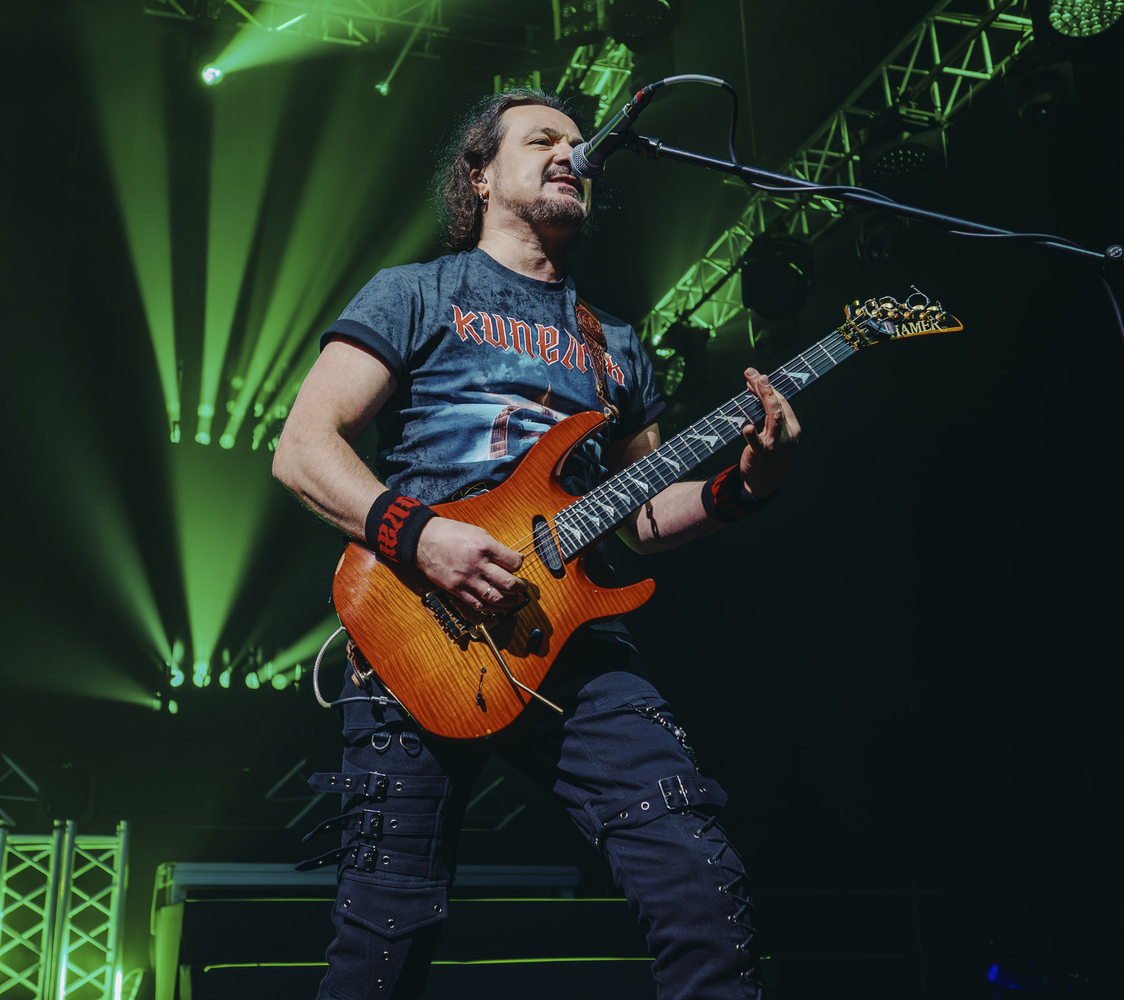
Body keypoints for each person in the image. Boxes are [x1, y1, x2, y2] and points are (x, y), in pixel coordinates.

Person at [271, 89, 800, 1000]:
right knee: (382, 948)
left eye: (576, 142)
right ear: (479, 176)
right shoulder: (417, 292)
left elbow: (639, 515)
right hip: (419, 626)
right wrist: (422, 537)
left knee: (702, 885)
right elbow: (303, 448)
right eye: (542, 138)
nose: (570, 153)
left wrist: (744, 487)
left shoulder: (614, 343)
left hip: (575, 641)